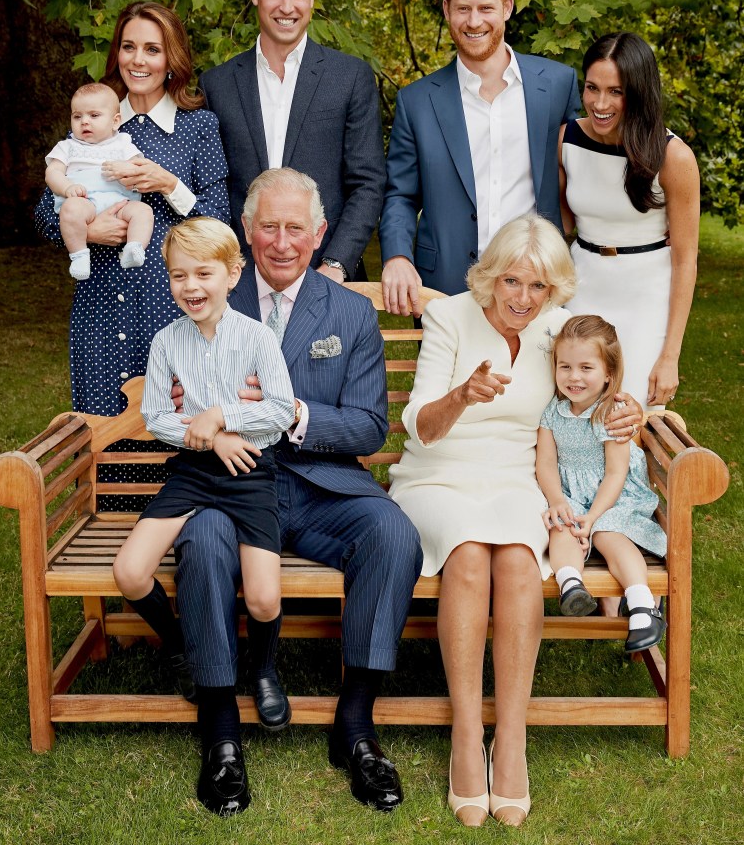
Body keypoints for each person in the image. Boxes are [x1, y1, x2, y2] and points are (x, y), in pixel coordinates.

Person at [171, 168, 422, 817]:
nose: (281, 242)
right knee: (199, 539)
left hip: (319, 487)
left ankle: (357, 723)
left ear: (319, 233)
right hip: (230, 485)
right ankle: (221, 732)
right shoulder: (212, 295)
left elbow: (369, 427)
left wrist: (294, 413)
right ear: (247, 233)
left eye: (295, 228)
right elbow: (177, 391)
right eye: (268, 227)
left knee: (392, 533)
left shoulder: (350, 312)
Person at [388, 216, 642, 827]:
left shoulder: (556, 330)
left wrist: (629, 408)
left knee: (521, 562)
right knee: (470, 554)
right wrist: (462, 395)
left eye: (538, 286)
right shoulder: (449, 316)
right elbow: (418, 425)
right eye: (511, 281)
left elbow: (601, 379)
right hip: (438, 472)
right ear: (490, 277)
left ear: (554, 289)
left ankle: (514, 740)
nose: (522, 298)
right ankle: (467, 737)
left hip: (518, 478)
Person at [112, 217, 296, 724]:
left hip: (249, 471)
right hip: (193, 470)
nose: (191, 287)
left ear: (233, 274)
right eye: (178, 276)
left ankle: (263, 669)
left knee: (262, 598)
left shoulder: (258, 338)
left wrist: (223, 416)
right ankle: (182, 649)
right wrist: (211, 436)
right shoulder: (166, 343)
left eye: (203, 274)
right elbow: (155, 416)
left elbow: (280, 411)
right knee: (129, 571)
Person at [35, 2, 229, 415]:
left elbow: (219, 220)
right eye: (128, 47)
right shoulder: (93, 120)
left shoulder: (198, 126)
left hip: (170, 304)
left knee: (176, 429)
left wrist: (170, 185)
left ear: (171, 59)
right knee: (103, 431)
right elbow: (42, 213)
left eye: (152, 49)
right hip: (100, 304)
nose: (138, 60)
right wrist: (87, 232)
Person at [380, 0, 579, 315]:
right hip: (445, 286)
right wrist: (395, 255)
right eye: (463, 9)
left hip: (537, 286)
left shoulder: (557, 85)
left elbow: (581, 172)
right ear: (446, 10)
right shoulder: (417, 101)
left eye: (486, 8)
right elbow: (401, 196)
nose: (474, 21)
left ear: (507, 7)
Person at [199, 0, 385, 282]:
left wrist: (336, 264)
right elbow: (214, 187)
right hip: (241, 280)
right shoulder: (216, 85)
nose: (287, 6)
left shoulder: (350, 77)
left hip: (327, 275)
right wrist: (230, 263)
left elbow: (368, 183)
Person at [560, 32, 700, 408]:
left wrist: (670, 356)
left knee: (629, 416)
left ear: (638, 93)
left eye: (616, 92)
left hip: (645, 298)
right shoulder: (567, 140)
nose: (600, 103)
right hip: (582, 289)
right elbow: (560, 225)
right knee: (574, 411)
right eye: (592, 88)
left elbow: (686, 260)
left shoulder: (674, 157)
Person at [536, 315, 665, 654]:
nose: (573, 377)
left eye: (585, 368)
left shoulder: (612, 411)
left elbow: (615, 474)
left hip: (613, 498)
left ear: (608, 372)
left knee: (608, 534)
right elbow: (546, 463)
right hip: (571, 495)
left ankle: (641, 605)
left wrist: (592, 518)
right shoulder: (552, 411)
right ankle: (572, 586)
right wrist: (556, 500)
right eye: (565, 366)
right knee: (561, 528)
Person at [45, 82, 151, 280]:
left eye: (94, 116)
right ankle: (79, 255)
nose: (84, 121)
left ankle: (134, 247)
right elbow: (52, 173)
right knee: (71, 210)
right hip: (84, 201)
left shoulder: (124, 144)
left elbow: (142, 168)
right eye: (77, 116)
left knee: (143, 211)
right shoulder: (67, 146)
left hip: (120, 203)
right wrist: (67, 187)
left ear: (115, 121)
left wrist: (128, 168)